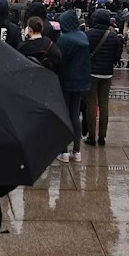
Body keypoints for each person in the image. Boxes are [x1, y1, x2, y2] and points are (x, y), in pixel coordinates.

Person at [56, 9, 90, 162]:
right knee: (75, 115)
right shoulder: (83, 36)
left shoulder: (64, 39)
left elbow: (59, 60)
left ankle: (63, 151)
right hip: (80, 81)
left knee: (64, 116)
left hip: (65, 81)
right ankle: (76, 151)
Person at [83, 9, 121, 146]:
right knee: (104, 104)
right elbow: (117, 56)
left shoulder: (88, 34)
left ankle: (91, 136)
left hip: (92, 72)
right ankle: (102, 136)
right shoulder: (114, 36)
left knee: (91, 104)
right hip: (107, 73)